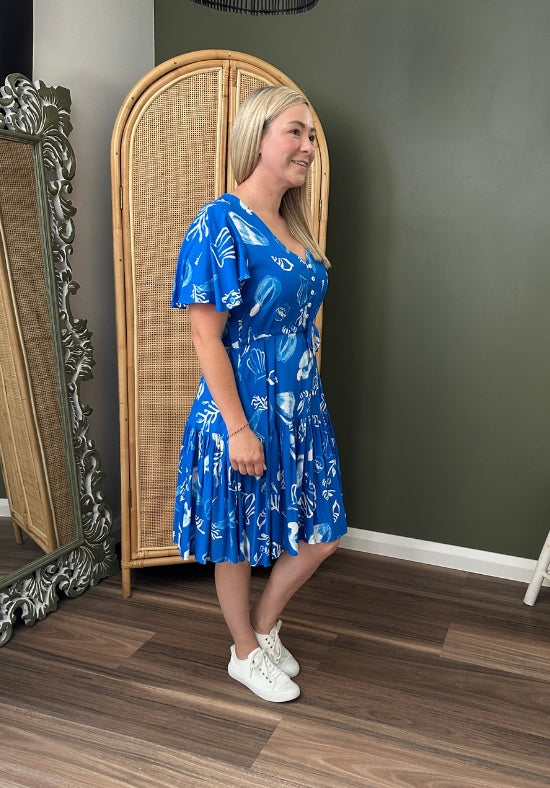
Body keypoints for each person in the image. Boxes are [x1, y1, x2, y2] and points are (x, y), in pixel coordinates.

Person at [171, 85, 347, 703]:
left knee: (324, 534)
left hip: (300, 407)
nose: (308, 146)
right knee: (238, 538)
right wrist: (239, 429)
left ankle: (264, 627)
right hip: (243, 410)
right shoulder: (219, 224)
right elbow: (205, 335)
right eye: (295, 131)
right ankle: (244, 652)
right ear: (257, 136)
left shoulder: (292, 223)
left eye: (311, 135)